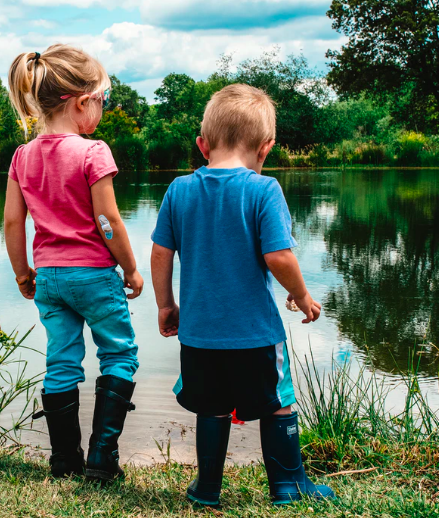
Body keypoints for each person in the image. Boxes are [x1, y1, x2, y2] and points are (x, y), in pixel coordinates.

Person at [150, 84, 336, 507]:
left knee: (211, 407)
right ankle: (288, 485)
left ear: (202, 145)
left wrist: (165, 304)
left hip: (199, 336)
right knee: (277, 402)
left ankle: (207, 490)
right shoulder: (263, 190)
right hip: (255, 333)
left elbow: (161, 253)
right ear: (266, 147)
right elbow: (279, 256)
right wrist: (302, 296)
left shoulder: (179, 190)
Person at [4, 44, 143, 481]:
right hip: (93, 275)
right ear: (82, 102)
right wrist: (132, 268)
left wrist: (22, 272)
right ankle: (102, 459)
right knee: (119, 354)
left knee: (61, 362)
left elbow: (12, 221)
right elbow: (107, 220)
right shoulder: (92, 151)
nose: (101, 110)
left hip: (49, 277)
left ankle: (64, 460)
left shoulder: (23, 155)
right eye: (102, 100)